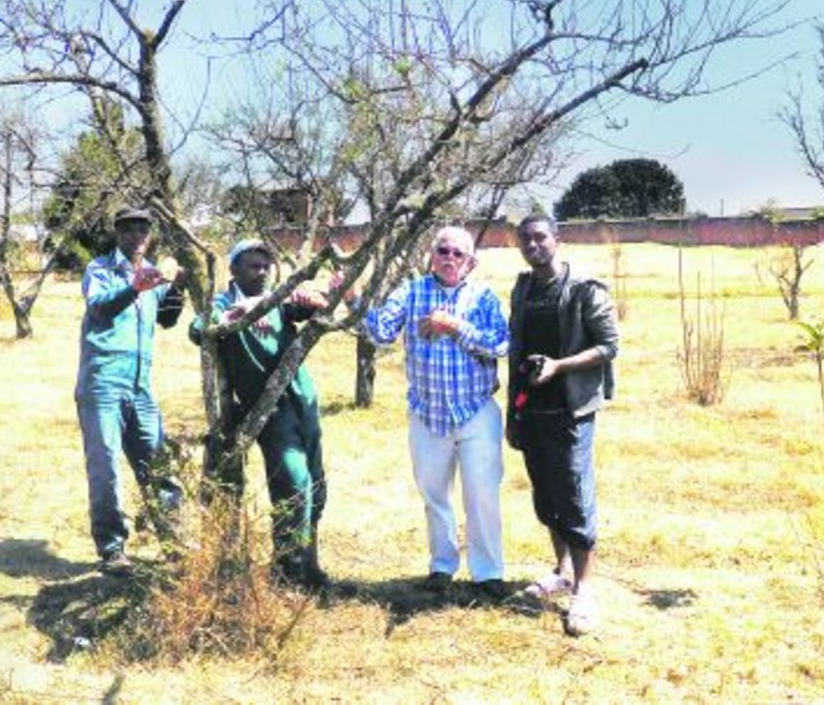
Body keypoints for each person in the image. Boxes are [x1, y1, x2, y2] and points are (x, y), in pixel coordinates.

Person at [356, 225, 510, 597]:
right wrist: (353, 298)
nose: (450, 259)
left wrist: (455, 326)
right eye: (443, 251)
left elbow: (502, 344)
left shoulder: (483, 297)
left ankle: (488, 573)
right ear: (432, 254)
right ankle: (442, 566)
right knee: (435, 495)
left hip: (476, 411)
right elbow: (380, 333)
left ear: (471, 262)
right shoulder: (411, 291)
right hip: (427, 413)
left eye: (458, 254)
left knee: (482, 495)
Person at [189, 239, 330, 589]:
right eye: (254, 265)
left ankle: (310, 565)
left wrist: (312, 301)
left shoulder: (278, 298)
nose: (263, 272)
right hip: (269, 410)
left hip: (303, 398)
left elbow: (311, 308)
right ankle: (287, 573)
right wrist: (231, 318)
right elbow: (198, 328)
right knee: (293, 485)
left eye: (267, 265)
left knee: (316, 484)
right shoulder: (223, 303)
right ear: (234, 269)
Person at [506, 212, 619, 636]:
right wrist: (513, 414)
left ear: (557, 239)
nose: (532, 245)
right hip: (531, 409)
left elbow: (608, 346)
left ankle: (585, 590)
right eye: (525, 239)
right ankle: (563, 571)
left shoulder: (584, 288)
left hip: (571, 410)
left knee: (573, 496)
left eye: (540, 237)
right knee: (546, 497)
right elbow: (515, 354)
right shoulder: (523, 289)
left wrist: (559, 366)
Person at [75, 206, 187, 576]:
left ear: (149, 234)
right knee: (105, 466)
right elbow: (99, 307)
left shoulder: (155, 271)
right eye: (128, 229)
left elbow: (167, 318)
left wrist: (178, 286)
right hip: (103, 381)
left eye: (142, 229)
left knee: (158, 462)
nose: (136, 235)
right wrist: (134, 286)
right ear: (117, 232)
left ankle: (174, 544)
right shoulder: (100, 269)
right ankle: (112, 549)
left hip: (141, 384)